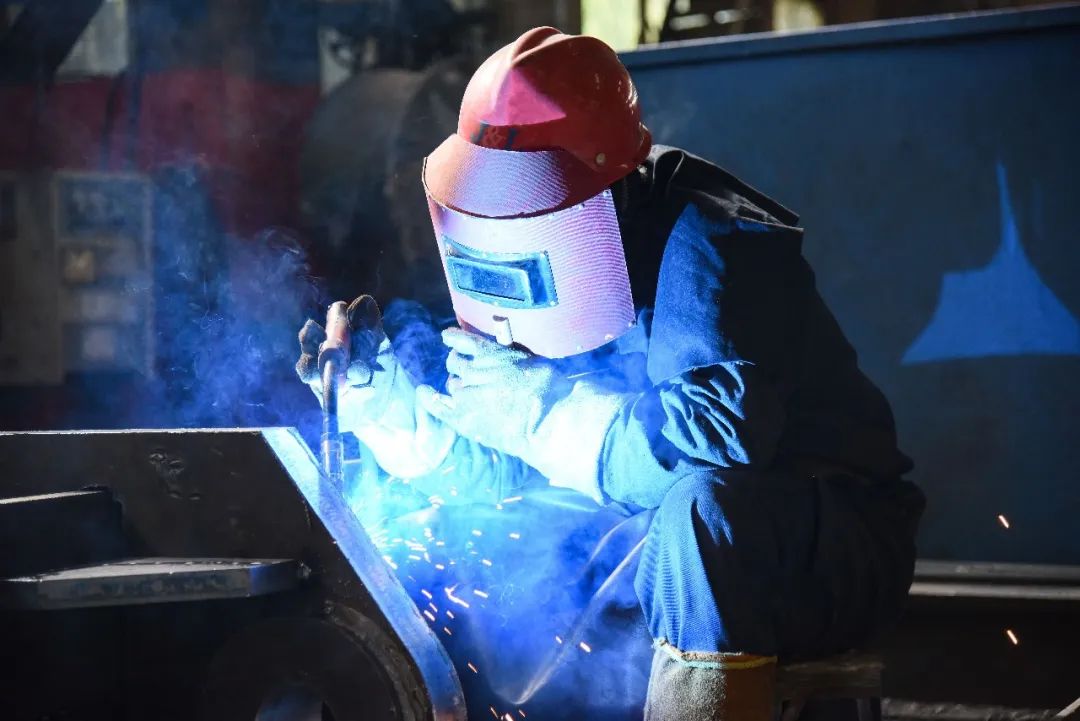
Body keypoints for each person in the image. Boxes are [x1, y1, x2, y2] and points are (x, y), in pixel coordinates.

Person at [297, 26, 925, 721]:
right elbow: (523, 478)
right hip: (649, 533)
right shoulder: (536, 250)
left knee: (700, 515)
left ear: (608, 181)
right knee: (470, 535)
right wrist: (397, 417)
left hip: (827, 539)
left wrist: (541, 413)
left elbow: (716, 441)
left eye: (531, 193)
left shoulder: (713, 239)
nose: (513, 217)